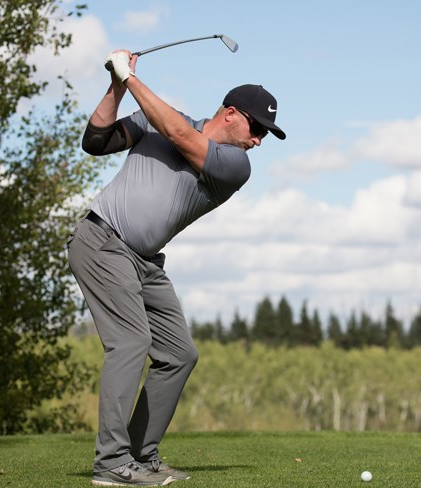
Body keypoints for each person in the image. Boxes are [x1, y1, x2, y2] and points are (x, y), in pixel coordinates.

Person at [67, 49, 286, 486]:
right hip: (102, 242)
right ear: (230, 113)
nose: (259, 140)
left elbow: (181, 135)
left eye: (266, 134)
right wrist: (115, 85)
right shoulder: (156, 120)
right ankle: (111, 465)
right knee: (130, 341)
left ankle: (141, 455)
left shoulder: (234, 166)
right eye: (258, 128)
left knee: (179, 354)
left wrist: (130, 78)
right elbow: (96, 141)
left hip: (144, 264)